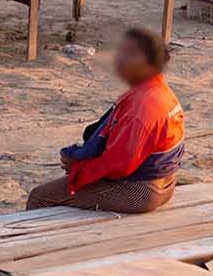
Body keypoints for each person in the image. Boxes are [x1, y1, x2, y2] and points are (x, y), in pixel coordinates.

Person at [26, 27, 184, 213]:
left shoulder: (141, 107)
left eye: (131, 55)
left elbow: (119, 164)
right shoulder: (156, 89)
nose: (120, 59)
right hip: (166, 183)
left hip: (141, 190)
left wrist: (79, 167)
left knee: (40, 197)